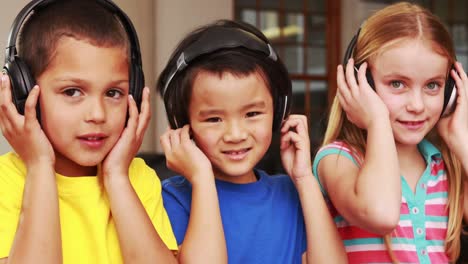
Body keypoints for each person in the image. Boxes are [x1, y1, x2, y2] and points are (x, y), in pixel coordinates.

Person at [0, 1, 225, 263]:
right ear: (22, 92)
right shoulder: (7, 182)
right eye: (72, 92)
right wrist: (39, 166)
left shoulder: (138, 177)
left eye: (113, 93)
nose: (98, 114)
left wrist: (117, 177)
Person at [156, 19, 347, 264]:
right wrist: (202, 179)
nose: (235, 134)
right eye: (214, 119)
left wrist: (304, 179)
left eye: (252, 114)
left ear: (279, 112)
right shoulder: (171, 198)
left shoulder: (291, 193)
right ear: (183, 124)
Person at [312, 2, 468, 263]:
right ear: (361, 83)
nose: (416, 105)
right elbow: (381, 213)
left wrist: (461, 140)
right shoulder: (338, 160)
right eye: (397, 84)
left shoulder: (444, 168)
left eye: (433, 85)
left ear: (451, 90)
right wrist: (377, 122)